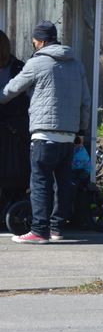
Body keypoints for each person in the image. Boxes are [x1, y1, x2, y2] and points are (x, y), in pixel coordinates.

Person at [1, 21, 91, 244]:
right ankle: (56, 228)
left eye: (34, 41)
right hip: (69, 135)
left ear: (40, 41)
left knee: (39, 181)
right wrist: (81, 130)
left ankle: (39, 230)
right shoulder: (76, 64)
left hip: (44, 134)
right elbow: (85, 101)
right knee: (61, 182)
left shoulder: (37, 62)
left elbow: (9, 91)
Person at [0, 30, 30, 204]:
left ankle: (12, 208)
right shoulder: (18, 66)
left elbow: (21, 98)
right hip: (14, 128)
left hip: (12, 130)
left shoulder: (18, 68)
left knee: (12, 171)